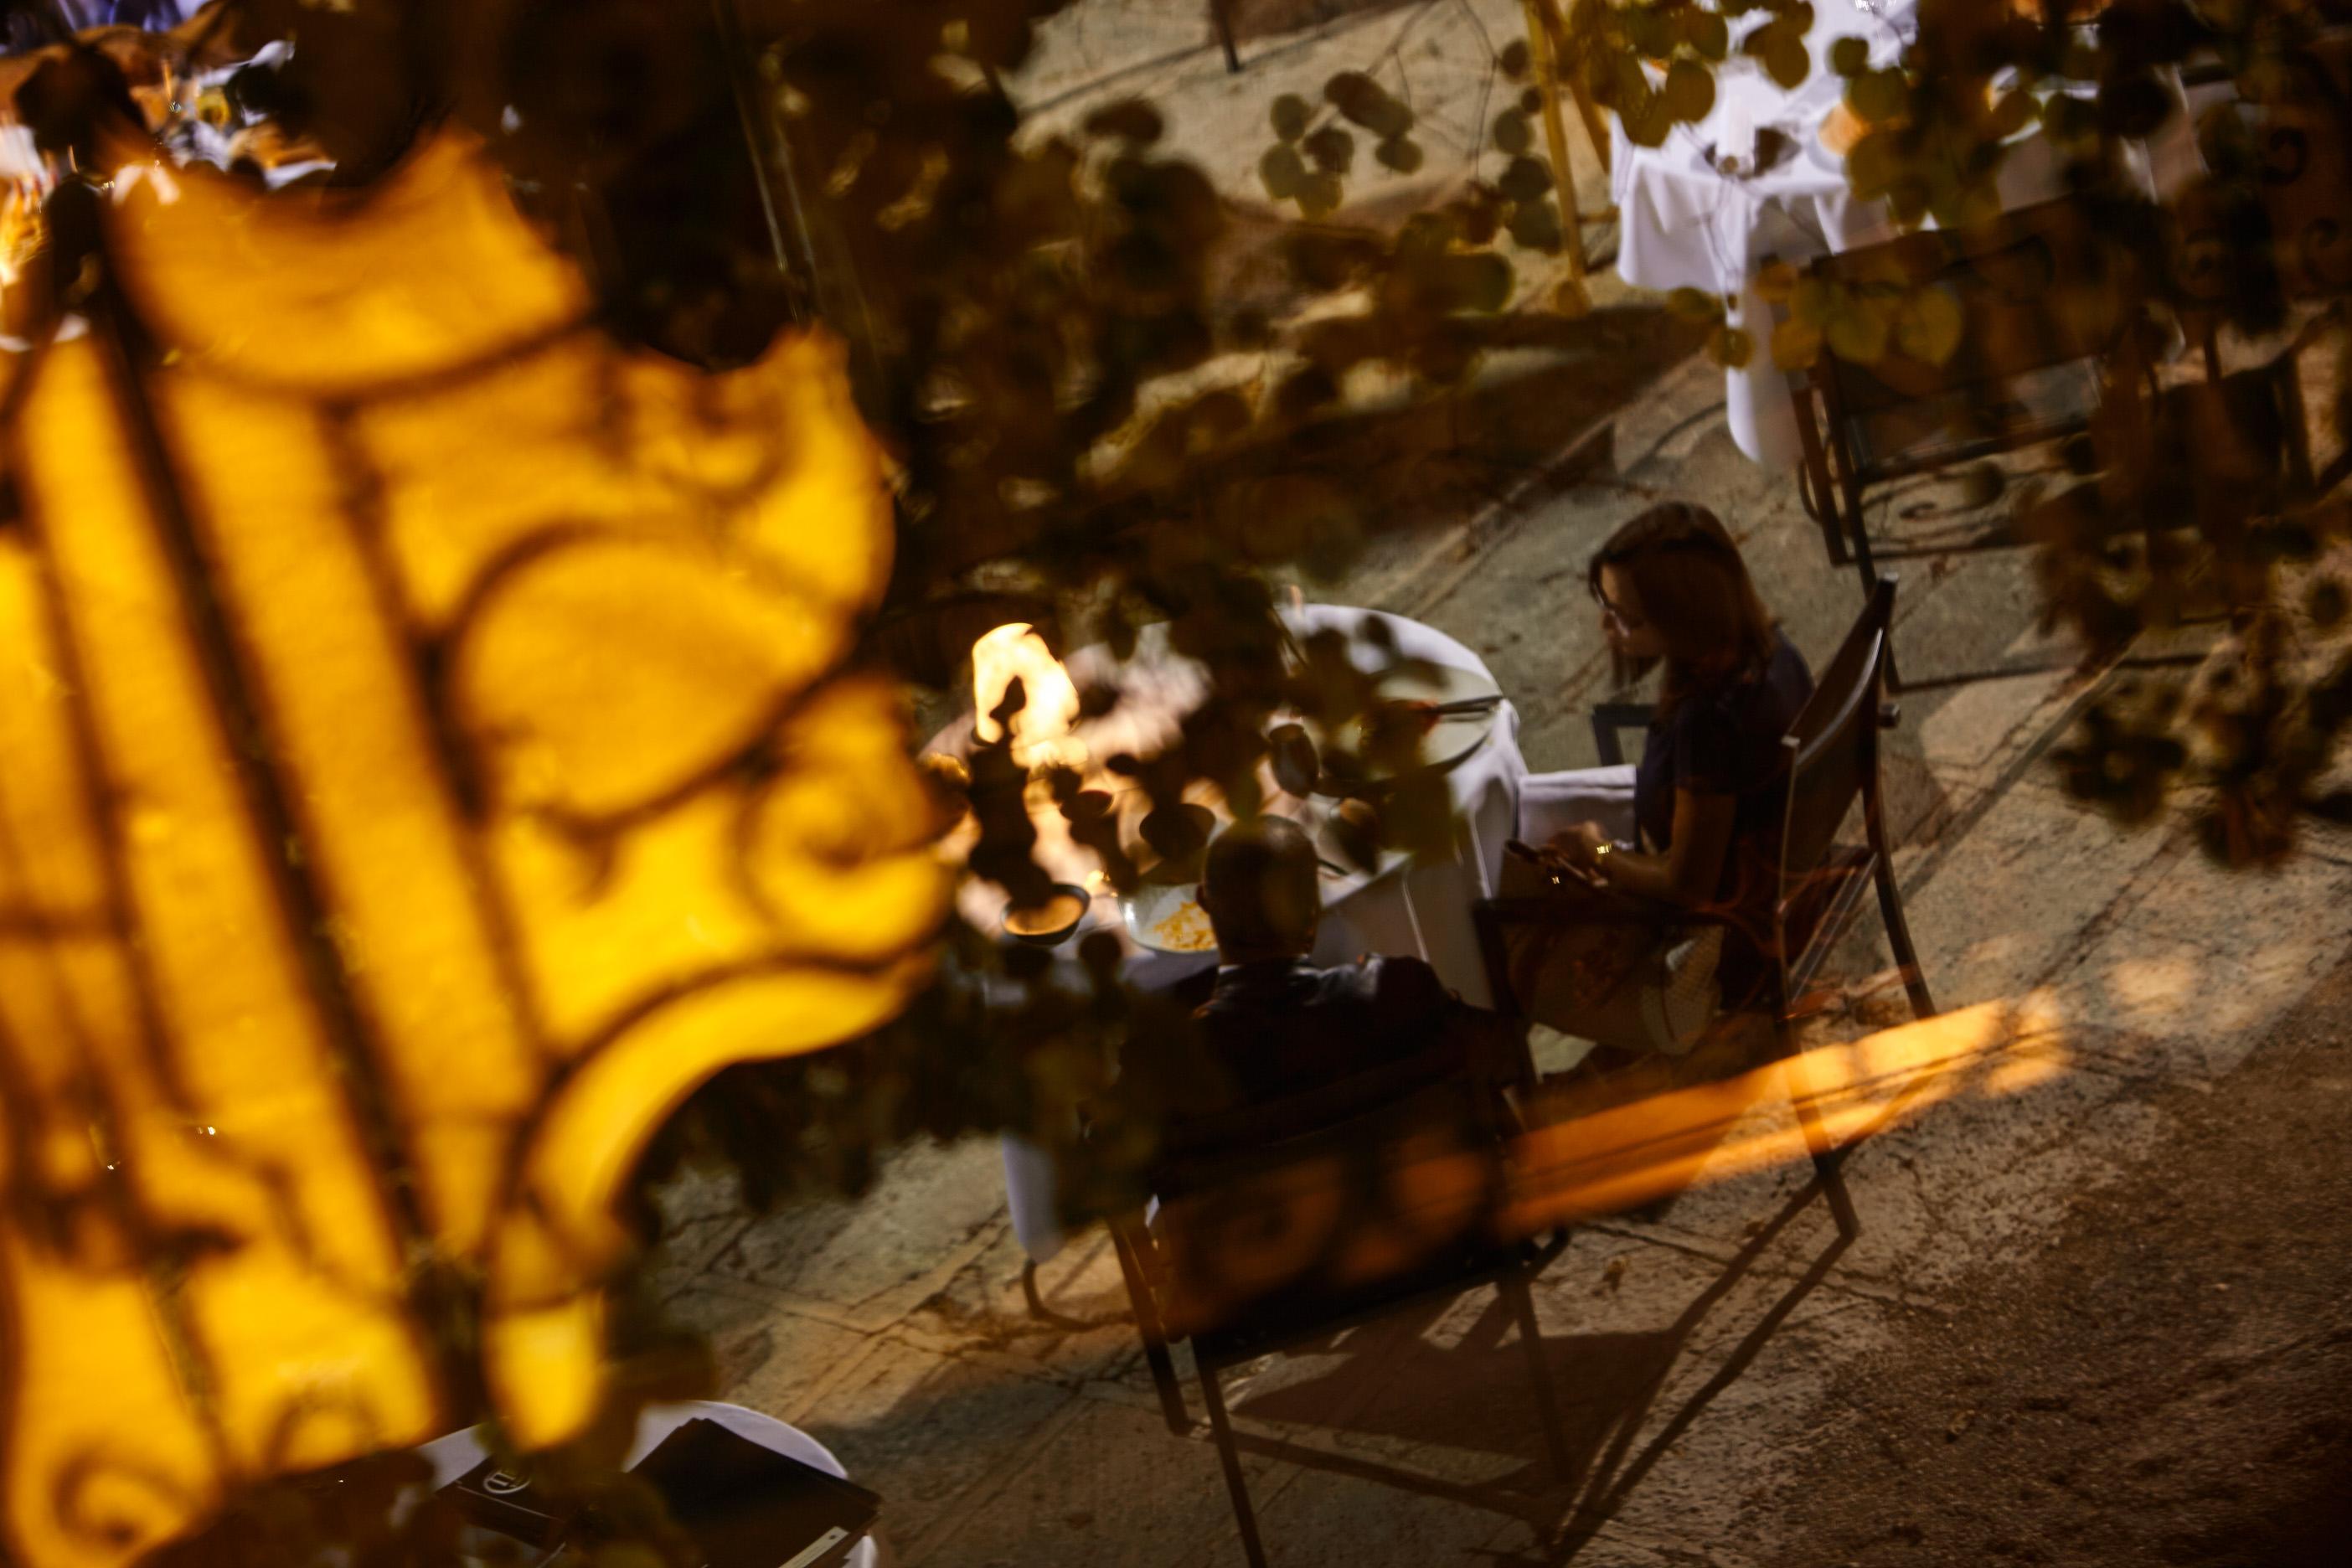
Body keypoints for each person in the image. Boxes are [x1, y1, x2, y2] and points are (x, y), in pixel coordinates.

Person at [1513, 502, 1814, 1036]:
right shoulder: (1770, 649)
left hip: (1731, 940)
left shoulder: (1709, 722)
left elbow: (1687, 885)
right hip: (1778, 875)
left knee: (1513, 918)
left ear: (1683, 618)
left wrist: (1597, 851)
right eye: (1604, 605)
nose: (1608, 628)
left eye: (1627, 617)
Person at [1128, 816, 1524, 1123]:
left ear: (1203, 902)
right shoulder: (1399, 993)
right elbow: (1502, 1055)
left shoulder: (1169, 1067)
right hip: (1435, 1222)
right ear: (1314, 909)